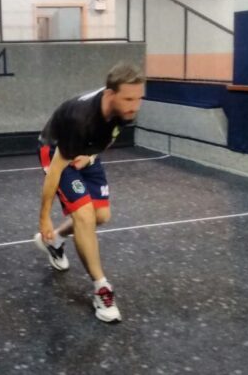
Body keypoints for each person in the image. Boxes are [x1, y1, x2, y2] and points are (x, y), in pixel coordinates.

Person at [34, 63, 146, 323]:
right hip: (56, 151)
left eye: (139, 98)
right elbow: (54, 171)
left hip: (86, 152)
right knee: (84, 215)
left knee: (101, 216)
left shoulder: (124, 110)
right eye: (129, 98)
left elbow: (108, 137)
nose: (135, 105)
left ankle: (55, 241)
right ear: (109, 95)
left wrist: (92, 155)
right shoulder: (80, 119)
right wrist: (44, 219)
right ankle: (101, 288)